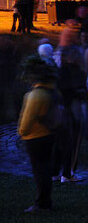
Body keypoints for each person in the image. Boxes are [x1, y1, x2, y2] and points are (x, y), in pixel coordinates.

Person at [18, 56, 59, 212]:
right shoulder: (51, 90)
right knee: (45, 168)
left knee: (39, 170)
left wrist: (22, 132)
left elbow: (26, 123)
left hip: (35, 137)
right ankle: (46, 200)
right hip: (48, 134)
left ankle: (42, 203)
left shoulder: (36, 95)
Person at [56, 46, 87, 183]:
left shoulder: (59, 71)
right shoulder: (75, 72)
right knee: (72, 142)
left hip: (59, 109)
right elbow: (76, 89)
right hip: (72, 108)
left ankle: (55, 172)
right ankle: (68, 173)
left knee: (59, 143)